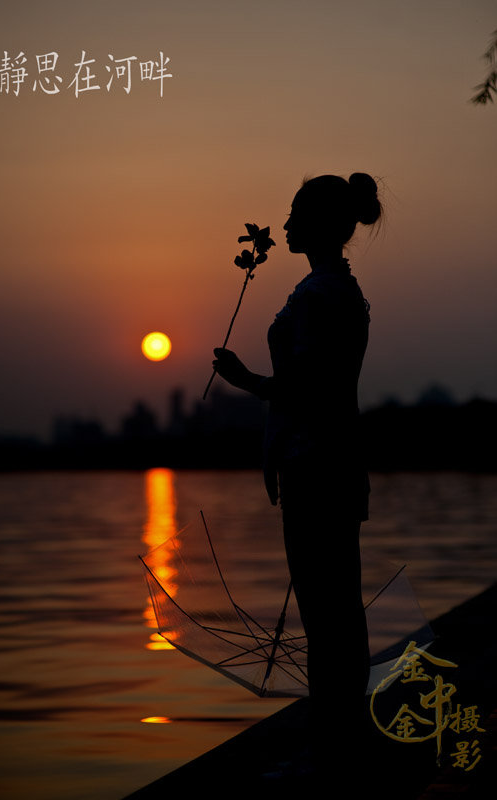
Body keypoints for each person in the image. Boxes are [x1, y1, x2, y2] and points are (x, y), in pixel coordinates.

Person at [212, 172, 383, 753]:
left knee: (323, 605)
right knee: (338, 600)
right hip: (334, 459)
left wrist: (243, 380)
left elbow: (306, 388)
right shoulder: (342, 289)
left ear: (318, 225)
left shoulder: (318, 296)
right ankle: (344, 723)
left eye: (293, 215)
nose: (282, 226)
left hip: (314, 464)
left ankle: (334, 731)